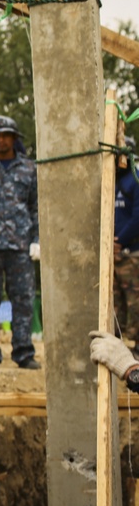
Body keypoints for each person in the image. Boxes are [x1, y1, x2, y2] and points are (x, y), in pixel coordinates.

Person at [0, 115, 41, 370]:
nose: (1, 140)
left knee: (23, 301)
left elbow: (36, 207)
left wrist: (37, 240)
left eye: (6, 135)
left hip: (20, 246)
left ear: (14, 138)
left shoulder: (29, 169)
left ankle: (24, 352)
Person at [114, 139, 139, 352]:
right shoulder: (109, 179)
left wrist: (119, 241)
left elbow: (137, 218)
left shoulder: (135, 180)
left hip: (132, 254)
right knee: (115, 307)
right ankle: (116, 348)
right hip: (112, 254)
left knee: (135, 303)